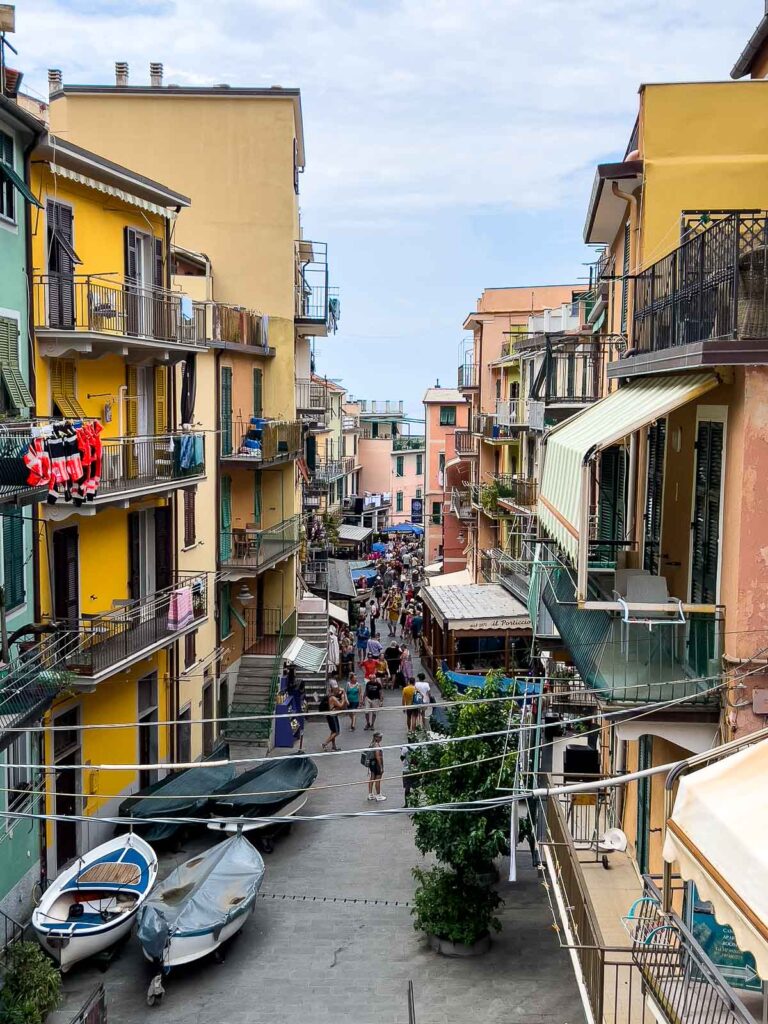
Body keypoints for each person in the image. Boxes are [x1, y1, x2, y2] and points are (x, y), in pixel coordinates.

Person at [322, 686, 346, 751]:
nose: (338, 692)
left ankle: (333, 746)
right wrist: (343, 698)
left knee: (333, 731)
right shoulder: (333, 698)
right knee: (336, 732)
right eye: (337, 691)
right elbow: (341, 705)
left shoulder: (330, 696)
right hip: (332, 716)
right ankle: (325, 743)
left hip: (331, 715)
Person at [366, 731, 386, 802]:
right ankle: (378, 795)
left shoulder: (372, 744)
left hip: (372, 763)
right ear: (376, 737)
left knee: (372, 778)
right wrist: (381, 767)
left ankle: (370, 794)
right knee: (378, 779)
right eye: (380, 737)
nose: (381, 738)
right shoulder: (377, 745)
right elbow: (378, 756)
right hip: (376, 764)